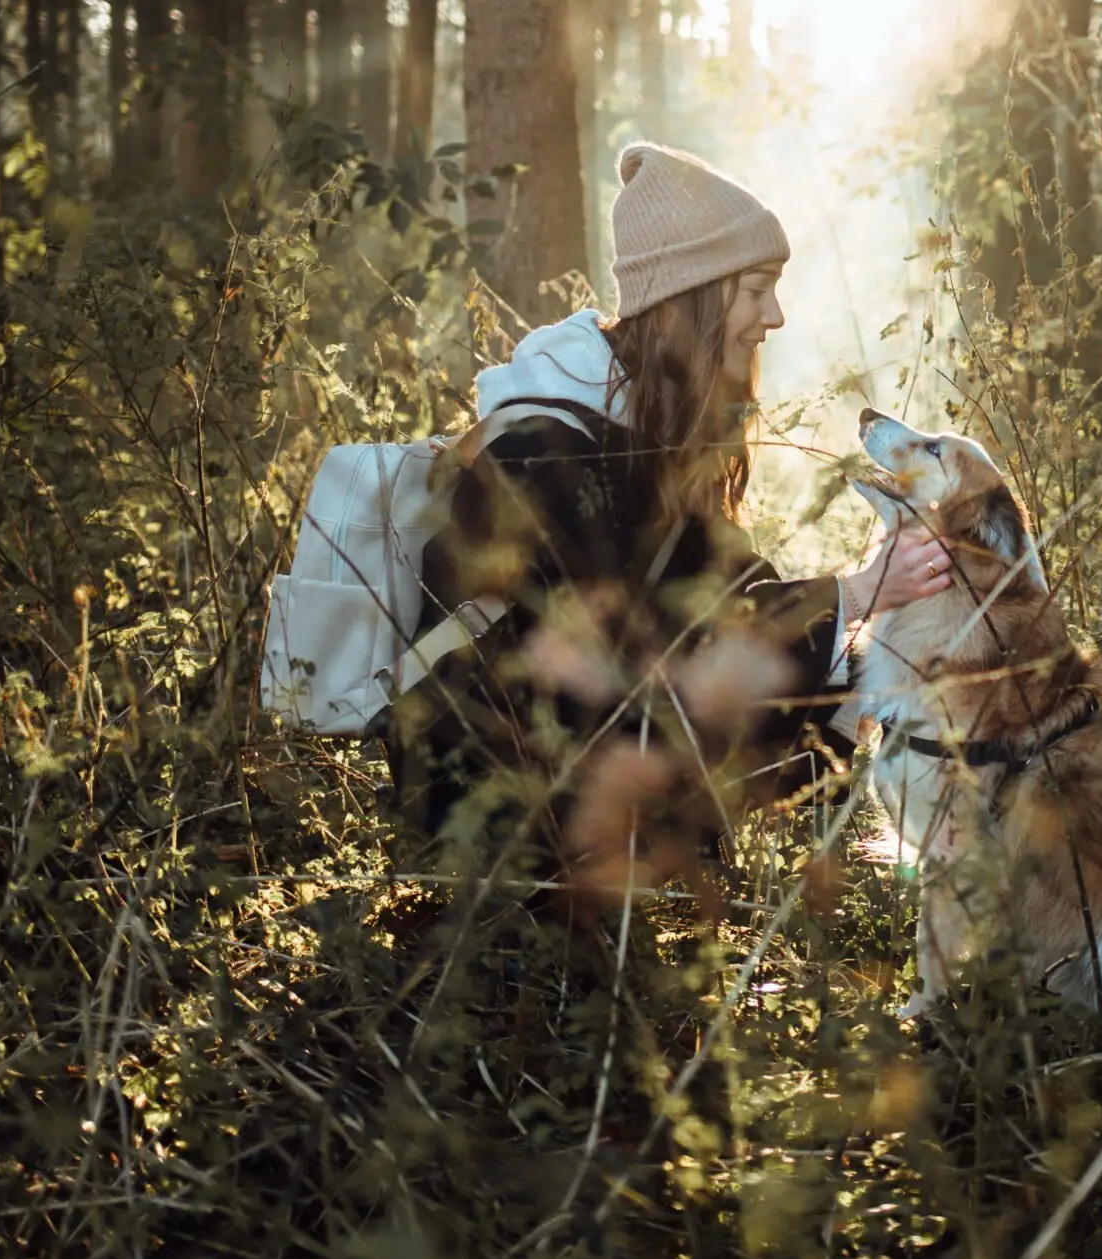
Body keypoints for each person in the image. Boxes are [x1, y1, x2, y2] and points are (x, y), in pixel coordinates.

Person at [387, 141, 948, 885]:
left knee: (832, 661)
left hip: (577, 780)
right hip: (501, 828)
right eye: (755, 289)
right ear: (692, 298)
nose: (773, 316)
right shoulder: (544, 447)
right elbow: (653, 652)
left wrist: (860, 621)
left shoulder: (647, 436)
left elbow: (731, 595)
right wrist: (855, 594)